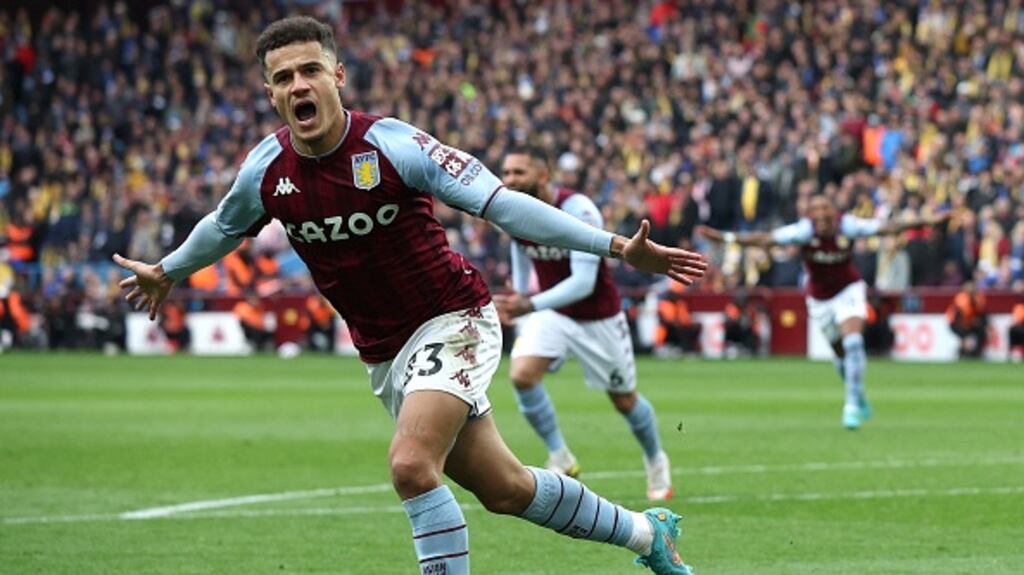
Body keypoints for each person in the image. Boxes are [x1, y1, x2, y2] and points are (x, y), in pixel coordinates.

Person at [112, 17, 707, 575]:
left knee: (411, 467)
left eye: (311, 70)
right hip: (386, 354)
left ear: (337, 76)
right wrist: (167, 269)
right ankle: (645, 535)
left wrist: (613, 246)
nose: (300, 84)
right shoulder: (266, 170)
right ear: (270, 92)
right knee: (505, 489)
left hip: (455, 321)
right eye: (284, 77)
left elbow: (503, 204)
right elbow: (223, 226)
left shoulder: (396, 145)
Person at [495, 147, 673, 501]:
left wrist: (528, 304)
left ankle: (656, 461)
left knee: (624, 400)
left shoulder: (579, 210)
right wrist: (519, 290)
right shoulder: (510, 210)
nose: (509, 180)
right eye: (507, 172)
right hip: (554, 314)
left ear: (543, 175)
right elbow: (519, 245)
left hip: (598, 318)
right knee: (522, 375)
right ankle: (561, 457)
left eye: (519, 172)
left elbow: (583, 283)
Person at [698, 195, 947, 430]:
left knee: (853, 344)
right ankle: (858, 394)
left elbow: (888, 227)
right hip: (820, 300)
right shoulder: (803, 232)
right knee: (840, 357)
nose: (821, 214)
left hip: (849, 289)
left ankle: (850, 407)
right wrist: (724, 238)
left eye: (825, 208)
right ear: (810, 215)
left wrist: (927, 222)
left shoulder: (847, 226)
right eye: (815, 210)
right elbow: (765, 239)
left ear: (833, 211)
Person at [945, 283, 988, 358]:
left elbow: (980, 312)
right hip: (957, 323)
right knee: (964, 336)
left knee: (981, 332)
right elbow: (959, 314)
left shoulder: (978, 297)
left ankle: (976, 352)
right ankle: (962, 352)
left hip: (969, 322)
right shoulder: (961, 298)